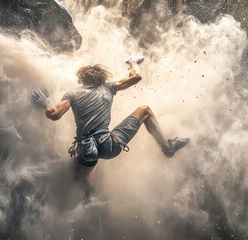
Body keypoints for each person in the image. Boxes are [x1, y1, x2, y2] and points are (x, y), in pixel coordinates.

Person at [31, 56, 189, 199]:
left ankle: (90, 195)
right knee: (145, 110)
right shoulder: (109, 87)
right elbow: (136, 76)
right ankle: (167, 148)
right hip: (110, 145)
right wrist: (133, 62)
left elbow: (55, 114)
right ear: (102, 78)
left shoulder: (72, 93)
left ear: (82, 79)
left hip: (87, 149)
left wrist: (45, 103)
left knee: (79, 176)